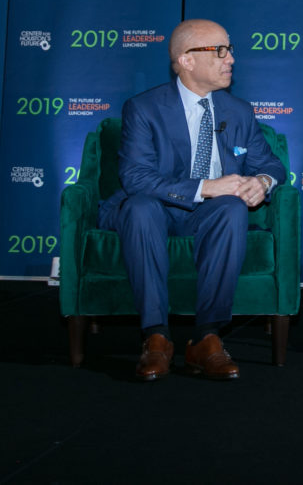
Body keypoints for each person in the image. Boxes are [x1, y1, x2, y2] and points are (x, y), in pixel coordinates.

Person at [98, 19, 287, 381]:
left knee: (232, 207)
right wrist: (206, 186)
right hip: (155, 208)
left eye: (230, 50)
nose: (230, 59)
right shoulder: (143, 108)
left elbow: (270, 164)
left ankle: (206, 337)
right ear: (186, 60)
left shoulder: (239, 111)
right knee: (139, 207)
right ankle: (156, 337)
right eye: (220, 51)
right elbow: (136, 178)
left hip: (209, 215)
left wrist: (262, 182)